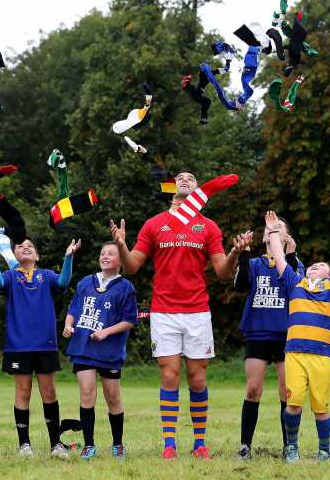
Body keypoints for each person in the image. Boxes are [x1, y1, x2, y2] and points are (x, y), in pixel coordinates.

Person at [109, 170, 247, 460]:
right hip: (164, 311)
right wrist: (121, 245)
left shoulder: (208, 226)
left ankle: (200, 443)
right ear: (172, 187)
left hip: (197, 312)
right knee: (170, 375)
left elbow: (223, 272)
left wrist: (235, 253)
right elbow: (132, 266)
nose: (185, 180)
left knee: (197, 380)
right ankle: (169, 444)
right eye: (180, 178)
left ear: (197, 189)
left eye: (191, 178)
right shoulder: (155, 224)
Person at [265, 210, 330, 463]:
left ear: (328, 273)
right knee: (293, 405)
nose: (316, 265)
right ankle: (292, 447)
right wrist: (273, 231)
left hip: (323, 355)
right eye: (314, 264)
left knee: (321, 407)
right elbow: (279, 256)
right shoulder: (294, 282)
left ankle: (324, 449)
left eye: (322, 265)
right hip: (295, 353)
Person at [0, 236, 81, 459]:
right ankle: (24, 445)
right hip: (18, 345)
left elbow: (63, 283)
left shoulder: (46, 275)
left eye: (30, 246)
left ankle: (55, 444)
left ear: (37, 256)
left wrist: (68, 258)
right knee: (23, 392)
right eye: (20, 246)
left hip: (45, 344)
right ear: (14, 255)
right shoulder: (10, 276)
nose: (26, 248)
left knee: (49, 392)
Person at [233, 217, 304, 460]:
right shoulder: (253, 264)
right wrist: (243, 254)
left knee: (287, 391)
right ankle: (245, 446)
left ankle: (289, 446)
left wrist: (291, 255)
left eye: (278, 229)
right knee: (253, 389)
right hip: (258, 331)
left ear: (286, 238)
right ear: (264, 237)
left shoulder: (293, 264)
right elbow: (241, 286)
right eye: (269, 229)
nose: (271, 231)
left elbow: (297, 288)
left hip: (286, 334)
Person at [62, 241, 139, 460]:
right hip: (84, 348)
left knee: (112, 396)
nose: (105, 256)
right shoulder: (86, 282)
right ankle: (89, 445)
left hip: (109, 351)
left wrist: (106, 332)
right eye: (102, 253)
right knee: (87, 394)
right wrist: (68, 325)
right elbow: (73, 310)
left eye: (111, 253)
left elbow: (129, 321)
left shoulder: (125, 287)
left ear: (120, 260)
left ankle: (117, 444)